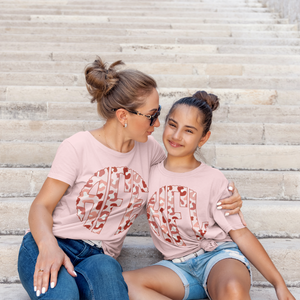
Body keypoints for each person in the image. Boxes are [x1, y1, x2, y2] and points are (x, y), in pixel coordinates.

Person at [18, 58, 242, 300]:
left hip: (100, 258)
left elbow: (185, 173)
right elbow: (41, 206)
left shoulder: (151, 151)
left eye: (158, 113)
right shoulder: (78, 146)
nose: (157, 123)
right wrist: (48, 245)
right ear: (124, 115)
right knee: (64, 296)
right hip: (54, 242)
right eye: (152, 115)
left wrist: (227, 194)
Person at [123, 91, 295, 300]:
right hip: (177, 268)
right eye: (173, 125)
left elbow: (240, 234)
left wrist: (278, 283)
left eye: (189, 130)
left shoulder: (213, 178)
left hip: (218, 258)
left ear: (203, 138)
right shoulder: (149, 173)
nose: (176, 136)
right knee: (124, 284)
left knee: (232, 288)